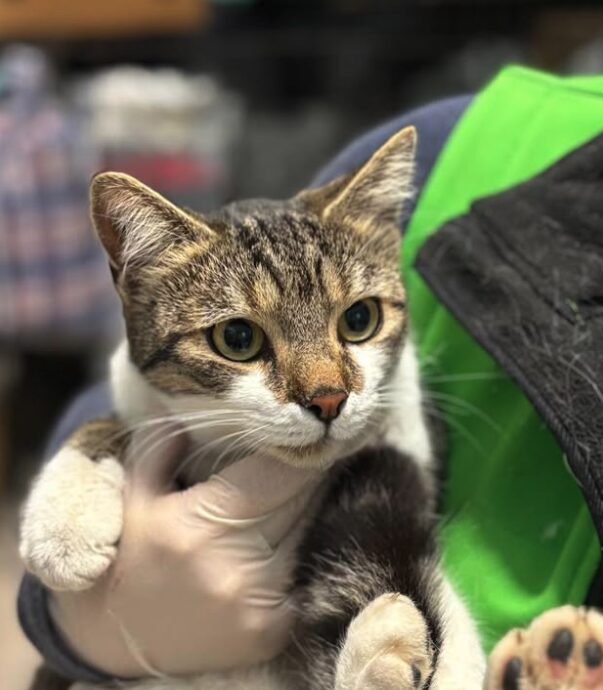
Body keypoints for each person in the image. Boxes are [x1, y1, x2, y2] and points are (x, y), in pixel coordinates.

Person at [20, 64, 603, 685]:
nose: (326, 390)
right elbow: (118, 397)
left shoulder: (392, 427)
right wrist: (86, 621)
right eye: (238, 337)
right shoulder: (457, 143)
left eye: (356, 320)